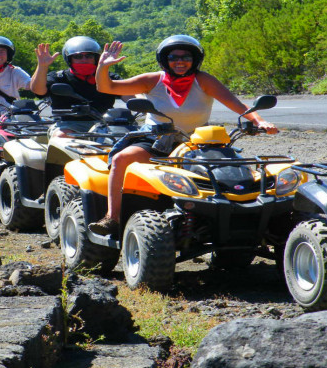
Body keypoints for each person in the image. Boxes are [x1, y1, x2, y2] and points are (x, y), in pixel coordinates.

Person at [87, 35, 279, 235]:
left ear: (195, 59)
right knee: (120, 159)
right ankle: (112, 217)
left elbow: (237, 104)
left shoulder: (204, 80)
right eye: (173, 57)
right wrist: (103, 67)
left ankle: (238, 218)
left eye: (186, 57)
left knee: (231, 173)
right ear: (164, 60)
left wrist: (259, 121)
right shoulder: (152, 80)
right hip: (157, 138)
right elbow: (105, 87)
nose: (180, 61)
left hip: (198, 142)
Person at [29, 36, 123, 137]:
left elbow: (131, 96)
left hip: (105, 125)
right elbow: (38, 90)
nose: (84, 59)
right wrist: (42, 66)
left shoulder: (109, 77)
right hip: (67, 125)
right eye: (78, 57)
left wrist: (140, 102)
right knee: (62, 136)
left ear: (96, 59)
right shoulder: (59, 77)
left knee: (129, 138)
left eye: (89, 56)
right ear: (70, 59)